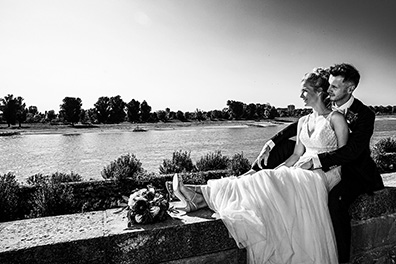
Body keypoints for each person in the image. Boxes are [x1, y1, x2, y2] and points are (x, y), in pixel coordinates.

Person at [169, 68, 348, 264]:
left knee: (267, 180)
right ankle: (200, 195)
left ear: (319, 91)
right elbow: (297, 154)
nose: (300, 95)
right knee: (264, 177)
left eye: (305, 90)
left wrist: (317, 170)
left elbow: (343, 157)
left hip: (321, 175)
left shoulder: (336, 118)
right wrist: (279, 170)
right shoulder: (303, 121)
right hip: (300, 170)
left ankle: (198, 195)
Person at [251, 63, 385, 263]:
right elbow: (295, 126)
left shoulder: (365, 114)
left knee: (335, 203)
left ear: (350, 89)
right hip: (322, 164)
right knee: (285, 147)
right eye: (329, 85)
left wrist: (315, 161)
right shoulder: (328, 103)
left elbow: (352, 152)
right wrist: (269, 143)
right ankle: (253, 174)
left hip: (353, 171)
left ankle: (342, 259)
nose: (328, 89)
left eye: (334, 87)